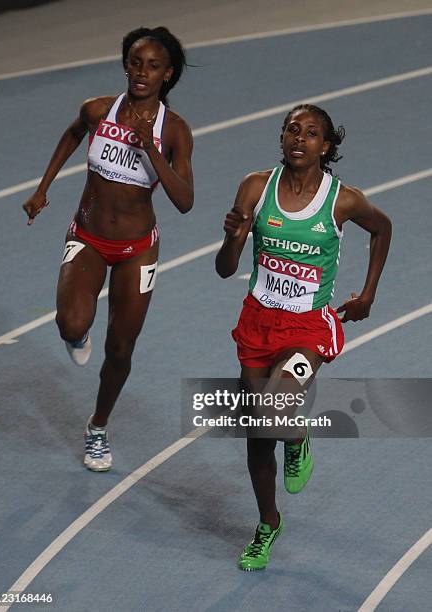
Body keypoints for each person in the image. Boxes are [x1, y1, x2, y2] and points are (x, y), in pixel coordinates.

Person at [215, 104, 391, 570]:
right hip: (257, 323)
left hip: (307, 328)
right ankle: (267, 525)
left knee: (275, 411)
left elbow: (382, 228)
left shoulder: (342, 200)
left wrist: (368, 295)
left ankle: (298, 439)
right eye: (292, 129)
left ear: (326, 146)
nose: (300, 138)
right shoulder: (256, 187)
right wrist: (234, 237)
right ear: (282, 137)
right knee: (257, 434)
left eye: (312, 133)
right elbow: (224, 268)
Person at [23, 27, 193, 471]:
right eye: (135, 62)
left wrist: (150, 150)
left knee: (120, 348)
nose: (142, 72)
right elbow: (71, 135)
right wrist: (43, 189)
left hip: (138, 249)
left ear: (168, 74)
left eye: (153, 66)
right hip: (88, 236)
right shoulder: (98, 110)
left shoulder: (173, 130)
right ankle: (78, 333)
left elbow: (185, 200)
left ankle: (97, 427)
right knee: (70, 322)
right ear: (125, 65)